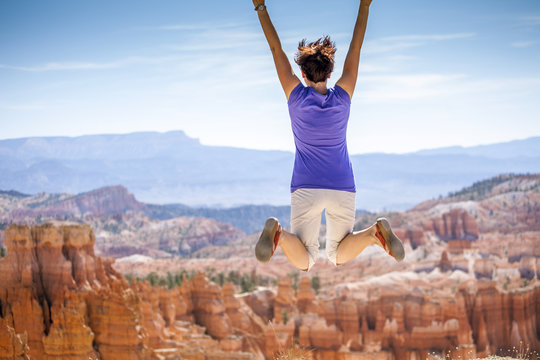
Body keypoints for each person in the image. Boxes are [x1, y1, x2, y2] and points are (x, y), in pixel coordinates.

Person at [252, 0, 405, 272]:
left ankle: (279, 234)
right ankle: (373, 234)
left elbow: (275, 49)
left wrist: (261, 7)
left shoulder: (296, 96)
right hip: (342, 184)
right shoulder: (342, 98)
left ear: (302, 73)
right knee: (336, 255)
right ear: (331, 73)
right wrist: (365, 5)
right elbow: (356, 47)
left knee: (307, 260)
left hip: (305, 185)